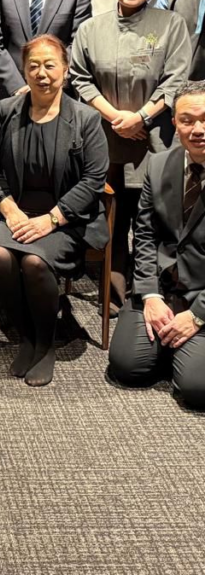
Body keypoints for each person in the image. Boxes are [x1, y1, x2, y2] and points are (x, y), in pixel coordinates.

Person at [0, 35, 109, 387]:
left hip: (66, 218)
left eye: (50, 65)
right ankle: (27, 336)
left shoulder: (85, 118)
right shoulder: (6, 111)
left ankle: (46, 343)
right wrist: (9, 209)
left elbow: (94, 179)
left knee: (35, 262)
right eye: (33, 66)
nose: (42, 73)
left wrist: (52, 219)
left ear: (65, 70)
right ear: (24, 71)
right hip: (17, 211)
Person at [70, 0, 191, 313]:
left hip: (156, 138)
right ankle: (113, 288)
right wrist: (117, 119)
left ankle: (151, 291)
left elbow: (176, 79)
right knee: (114, 212)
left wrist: (140, 117)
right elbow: (80, 77)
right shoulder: (91, 29)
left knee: (153, 215)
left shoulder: (170, 24)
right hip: (107, 137)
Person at [108, 80, 205, 409]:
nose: (197, 129)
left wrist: (197, 316)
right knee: (127, 366)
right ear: (174, 123)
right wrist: (150, 295)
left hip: (202, 295)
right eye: (187, 120)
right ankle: (177, 343)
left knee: (196, 388)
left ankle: (184, 344)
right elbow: (145, 234)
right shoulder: (159, 163)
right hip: (164, 287)